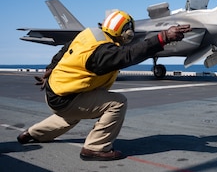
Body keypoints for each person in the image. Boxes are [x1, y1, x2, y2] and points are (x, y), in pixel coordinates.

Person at [16, 10, 191, 161]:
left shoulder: (89, 34)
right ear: (125, 32)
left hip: (56, 92)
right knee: (117, 103)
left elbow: (64, 49)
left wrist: (50, 68)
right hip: (66, 98)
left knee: (72, 114)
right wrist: (163, 37)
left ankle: (32, 134)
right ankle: (95, 148)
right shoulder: (103, 51)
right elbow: (128, 55)